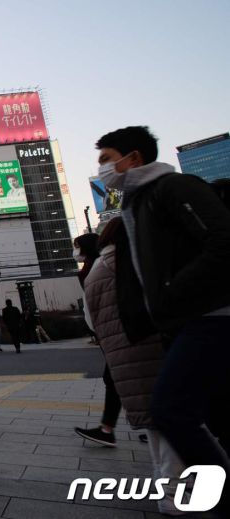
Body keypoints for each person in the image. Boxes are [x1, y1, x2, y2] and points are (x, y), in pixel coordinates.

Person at [96, 125, 230, 514]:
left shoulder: (174, 188)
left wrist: (172, 291)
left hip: (212, 316)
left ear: (133, 157)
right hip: (181, 321)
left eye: (107, 159)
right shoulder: (135, 203)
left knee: (171, 409)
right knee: (208, 411)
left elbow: (223, 242)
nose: (104, 169)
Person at [81, 218, 187, 515]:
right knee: (172, 422)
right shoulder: (142, 262)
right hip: (155, 350)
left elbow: (91, 322)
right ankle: (174, 495)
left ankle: (166, 490)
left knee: (156, 425)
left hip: (121, 358)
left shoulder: (93, 274)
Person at [74, 230, 122, 447]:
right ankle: (108, 428)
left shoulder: (100, 267)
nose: (75, 251)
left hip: (114, 330)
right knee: (115, 378)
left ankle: (108, 428)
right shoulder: (93, 267)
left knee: (115, 378)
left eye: (77, 246)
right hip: (108, 331)